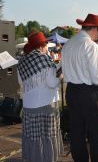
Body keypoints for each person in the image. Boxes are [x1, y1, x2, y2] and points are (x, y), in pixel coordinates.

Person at [61, 13, 98, 162]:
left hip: (72, 92)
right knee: (96, 136)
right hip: (90, 95)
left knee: (77, 134)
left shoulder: (67, 45)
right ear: (95, 29)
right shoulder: (91, 46)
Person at [17, 32, 64, 162]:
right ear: (41, 46)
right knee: (47, 136)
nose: (47, 47)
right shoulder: (44, 59)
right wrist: (60, 76)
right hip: (45, 105)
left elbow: (21, 83)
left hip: (28, 106)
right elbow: (52, 83)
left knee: (33, 137)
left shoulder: (22, 61)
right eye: (46, 44)